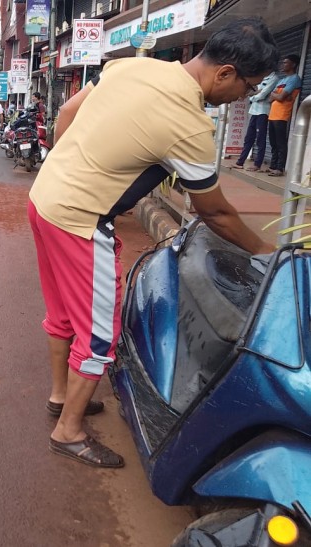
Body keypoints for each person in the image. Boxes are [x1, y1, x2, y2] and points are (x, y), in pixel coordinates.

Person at [28, 17, 277, 468]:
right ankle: (68, 430)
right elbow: (216, 212)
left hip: (45, 199)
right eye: (248, 87)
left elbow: (68, 114)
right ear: (224, 74)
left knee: (64, 311)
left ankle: (60, 396)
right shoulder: (190, 123)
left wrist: (69, 171)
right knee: (100, 334)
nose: (245, 97)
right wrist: (268, 254)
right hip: (81, 219)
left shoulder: (134, 67)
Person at [230, 71, 279, 171]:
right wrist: (255, 94)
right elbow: (254, 91)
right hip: (254, 111)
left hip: (263, 112)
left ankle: (257, 164)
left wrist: (253, 96)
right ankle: (240, 162)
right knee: (249, 138)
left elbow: (262, 94)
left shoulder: (274, 78)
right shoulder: (262, 77)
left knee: (260, 139)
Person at [267, 54, 302, 176]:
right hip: (272, 115)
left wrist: (277, 95)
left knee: (281, 143)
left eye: (285, 62)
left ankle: (280, 168)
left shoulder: (294, 79)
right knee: (273, 142)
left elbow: (280, 97)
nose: (282, 64)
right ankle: (273, 165)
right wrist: (279, 96)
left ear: (293, 64)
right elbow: (270, 98)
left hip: (282, 115)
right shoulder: (282, 80)